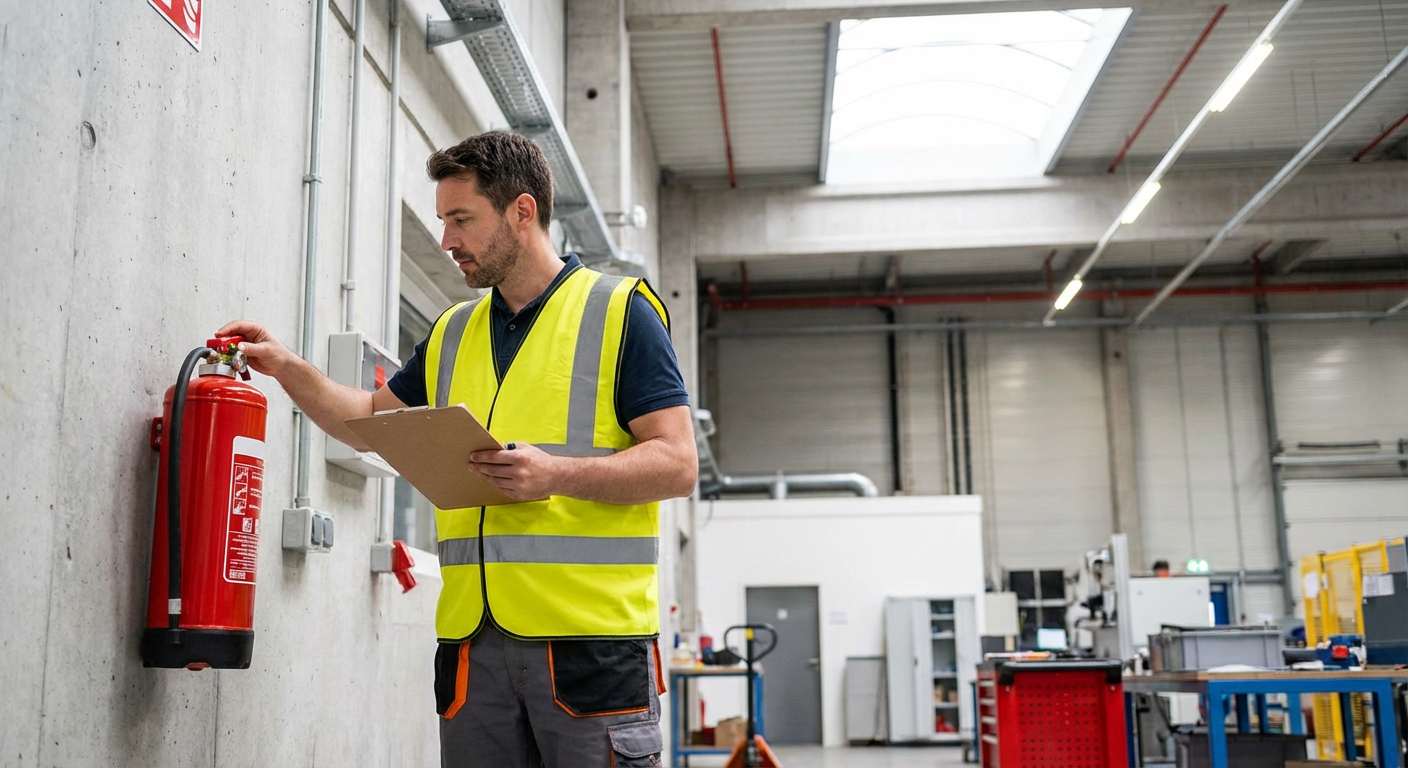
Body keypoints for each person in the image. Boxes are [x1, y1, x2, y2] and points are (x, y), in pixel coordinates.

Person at [218, 131, 696, 768]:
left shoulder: (620, 312)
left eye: (461, 219)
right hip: (474, 648)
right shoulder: (452, 331)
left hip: (589, 648)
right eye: (444, 220)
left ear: (522, 212)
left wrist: (554, 474)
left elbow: (678, 461)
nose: (447, 241)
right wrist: (285, 366)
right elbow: (365, 419)